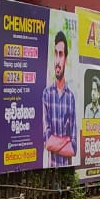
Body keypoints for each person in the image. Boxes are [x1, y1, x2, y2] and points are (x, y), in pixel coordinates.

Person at [42, 31, 77, 167]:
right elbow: (47, 142)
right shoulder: (47, 94)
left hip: (67, 169)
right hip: (50, 168)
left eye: (61, 54)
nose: (57, 60)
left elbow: (73, 148)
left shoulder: (71, 98)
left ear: (65, 59)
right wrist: (66, 139)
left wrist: (55, 142)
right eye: (55, 54)